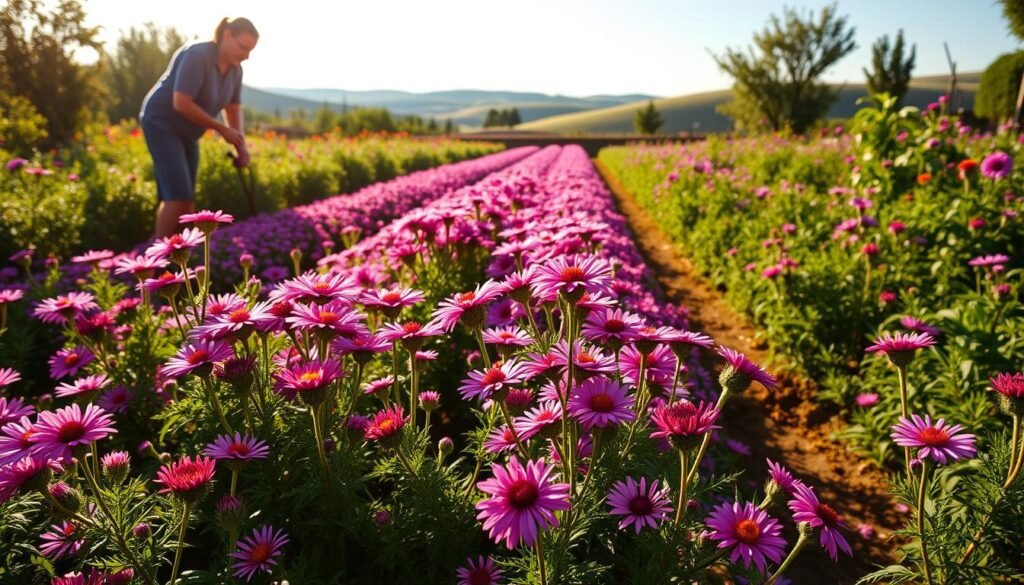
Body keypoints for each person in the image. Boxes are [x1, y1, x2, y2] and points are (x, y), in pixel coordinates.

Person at [140, 17, 259, 238]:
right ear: (226, 35)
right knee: (178, 198)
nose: (246, 55)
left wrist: (241, 148)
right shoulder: (197, 55)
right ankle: (154, 261)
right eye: (243, 47)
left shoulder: (235, 70)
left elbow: (233, 109)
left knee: (188, 204)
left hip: (189, 131)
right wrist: (221, 129)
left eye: (250, 50)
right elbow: (181, 103)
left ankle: (183, 258)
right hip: (162, 123)